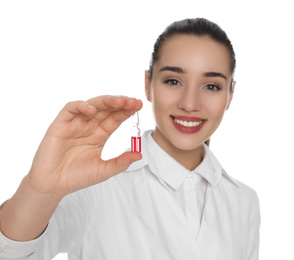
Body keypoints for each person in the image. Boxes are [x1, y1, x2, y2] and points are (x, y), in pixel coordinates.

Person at [0, 18, 260, 260]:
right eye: (173, 81)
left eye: (212, 86)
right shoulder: (93, 188)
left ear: (230, 94)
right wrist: (39, 189)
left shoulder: (244, 201)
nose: (190, 103)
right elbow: (13, 253)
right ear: (148, 84)